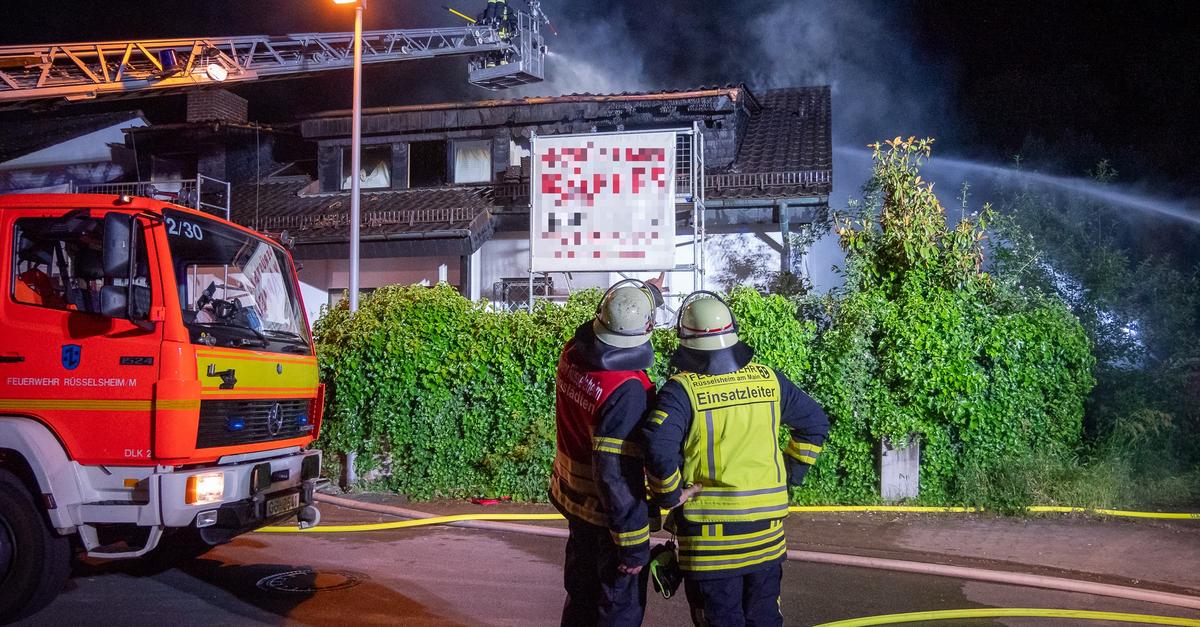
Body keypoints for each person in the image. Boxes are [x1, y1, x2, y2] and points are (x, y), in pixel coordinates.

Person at [641, 291, 830, 627]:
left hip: (711, 544)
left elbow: (657, 445)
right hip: (767, 539)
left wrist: (670, 495)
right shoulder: (769, 380)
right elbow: (815, 423)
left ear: (685, 341)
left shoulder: (682, 390)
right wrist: (790, 473)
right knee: (764, 619)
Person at [549, 278, 664, 627]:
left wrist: (648, 293)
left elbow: (618, 316)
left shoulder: (573, 350)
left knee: (580, 602)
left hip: (576, 506)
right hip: (611, 523)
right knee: (616, 613)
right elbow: (615, 473)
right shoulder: (628, 390)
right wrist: (632, 544)